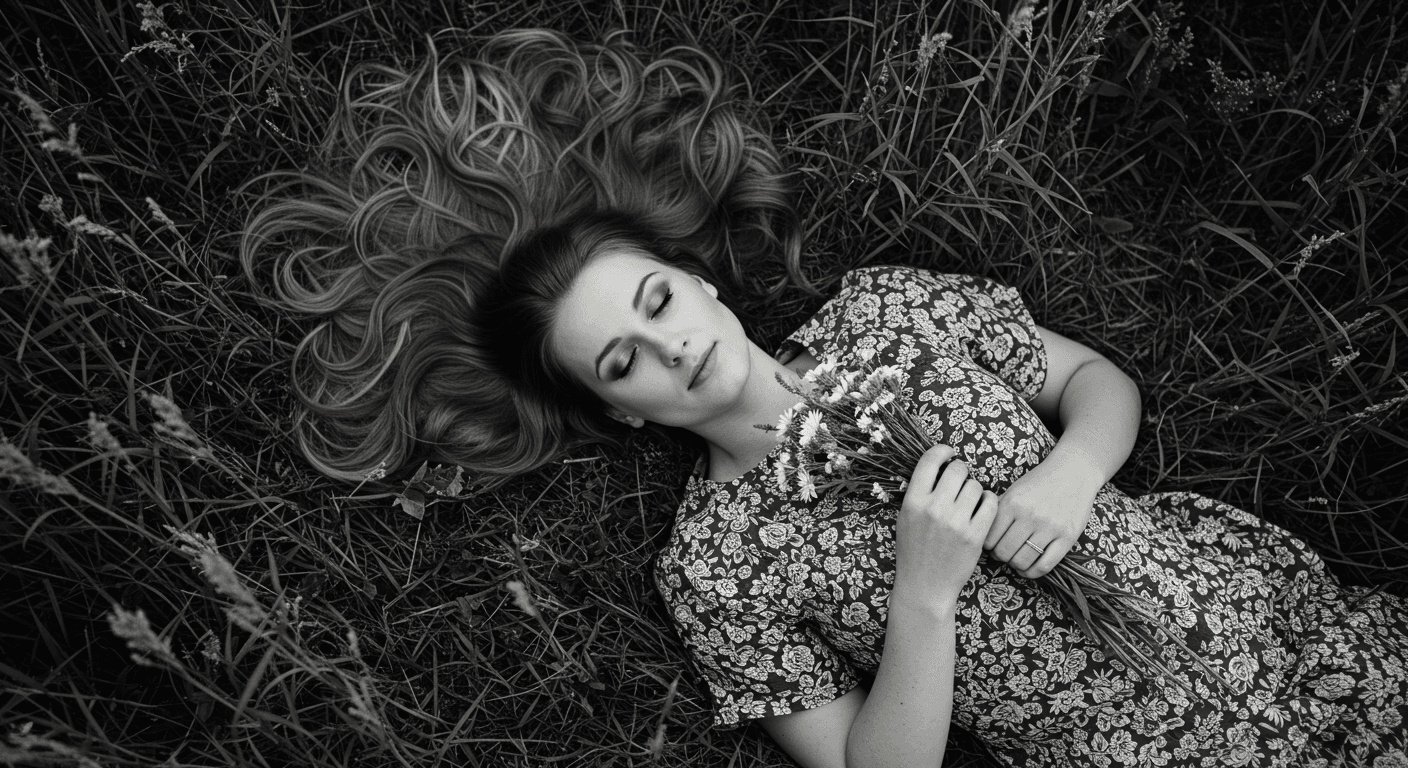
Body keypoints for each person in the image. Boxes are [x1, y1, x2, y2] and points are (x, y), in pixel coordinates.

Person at [243, 30, 1408, 768]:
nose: (669, 347)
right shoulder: (716, 568)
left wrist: (1070, 472)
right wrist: (924, 596)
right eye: (622, 363)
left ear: (699, 281)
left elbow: (1095, 382)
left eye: (656, 300)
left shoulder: (890, 313)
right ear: (623, 412)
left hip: (1274, 625)